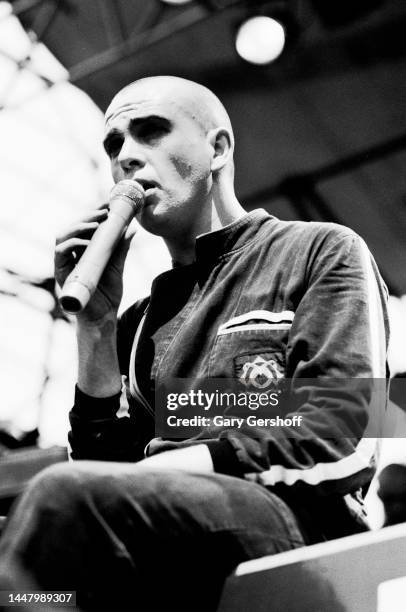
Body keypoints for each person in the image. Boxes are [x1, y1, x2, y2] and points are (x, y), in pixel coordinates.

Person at [0, 76, 389, 611]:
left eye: (151, 131)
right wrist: (96, 328)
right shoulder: (138, 322)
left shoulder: (318, 250)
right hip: (170, 537)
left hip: (297, 529)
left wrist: (170, 465)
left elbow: (341, 432)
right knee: (21, 565)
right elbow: (105, 469)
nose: (127, 157)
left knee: (63, 499)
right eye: (114, 145)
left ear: (218, 148)